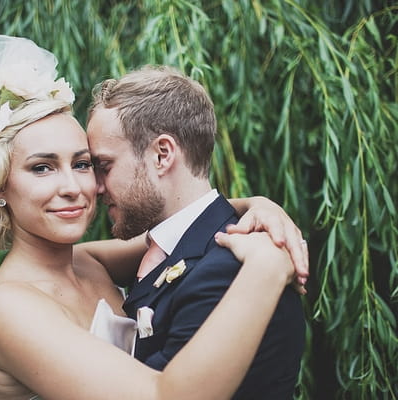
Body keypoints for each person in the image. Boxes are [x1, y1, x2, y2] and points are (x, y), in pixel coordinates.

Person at [0, 35, 305, 400]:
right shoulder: (9, 311)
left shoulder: (88, 262)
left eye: (85, 163)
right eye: (41, 168)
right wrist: (265, 269)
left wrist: (258, 206)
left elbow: (192, 226)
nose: (75, 186)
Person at [85, 65, 306, 399]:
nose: (94, 186)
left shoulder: (227, 272)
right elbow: (75, 259)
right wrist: (254, 202)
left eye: (104, 166)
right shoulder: (177, 244)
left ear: (162, 155)